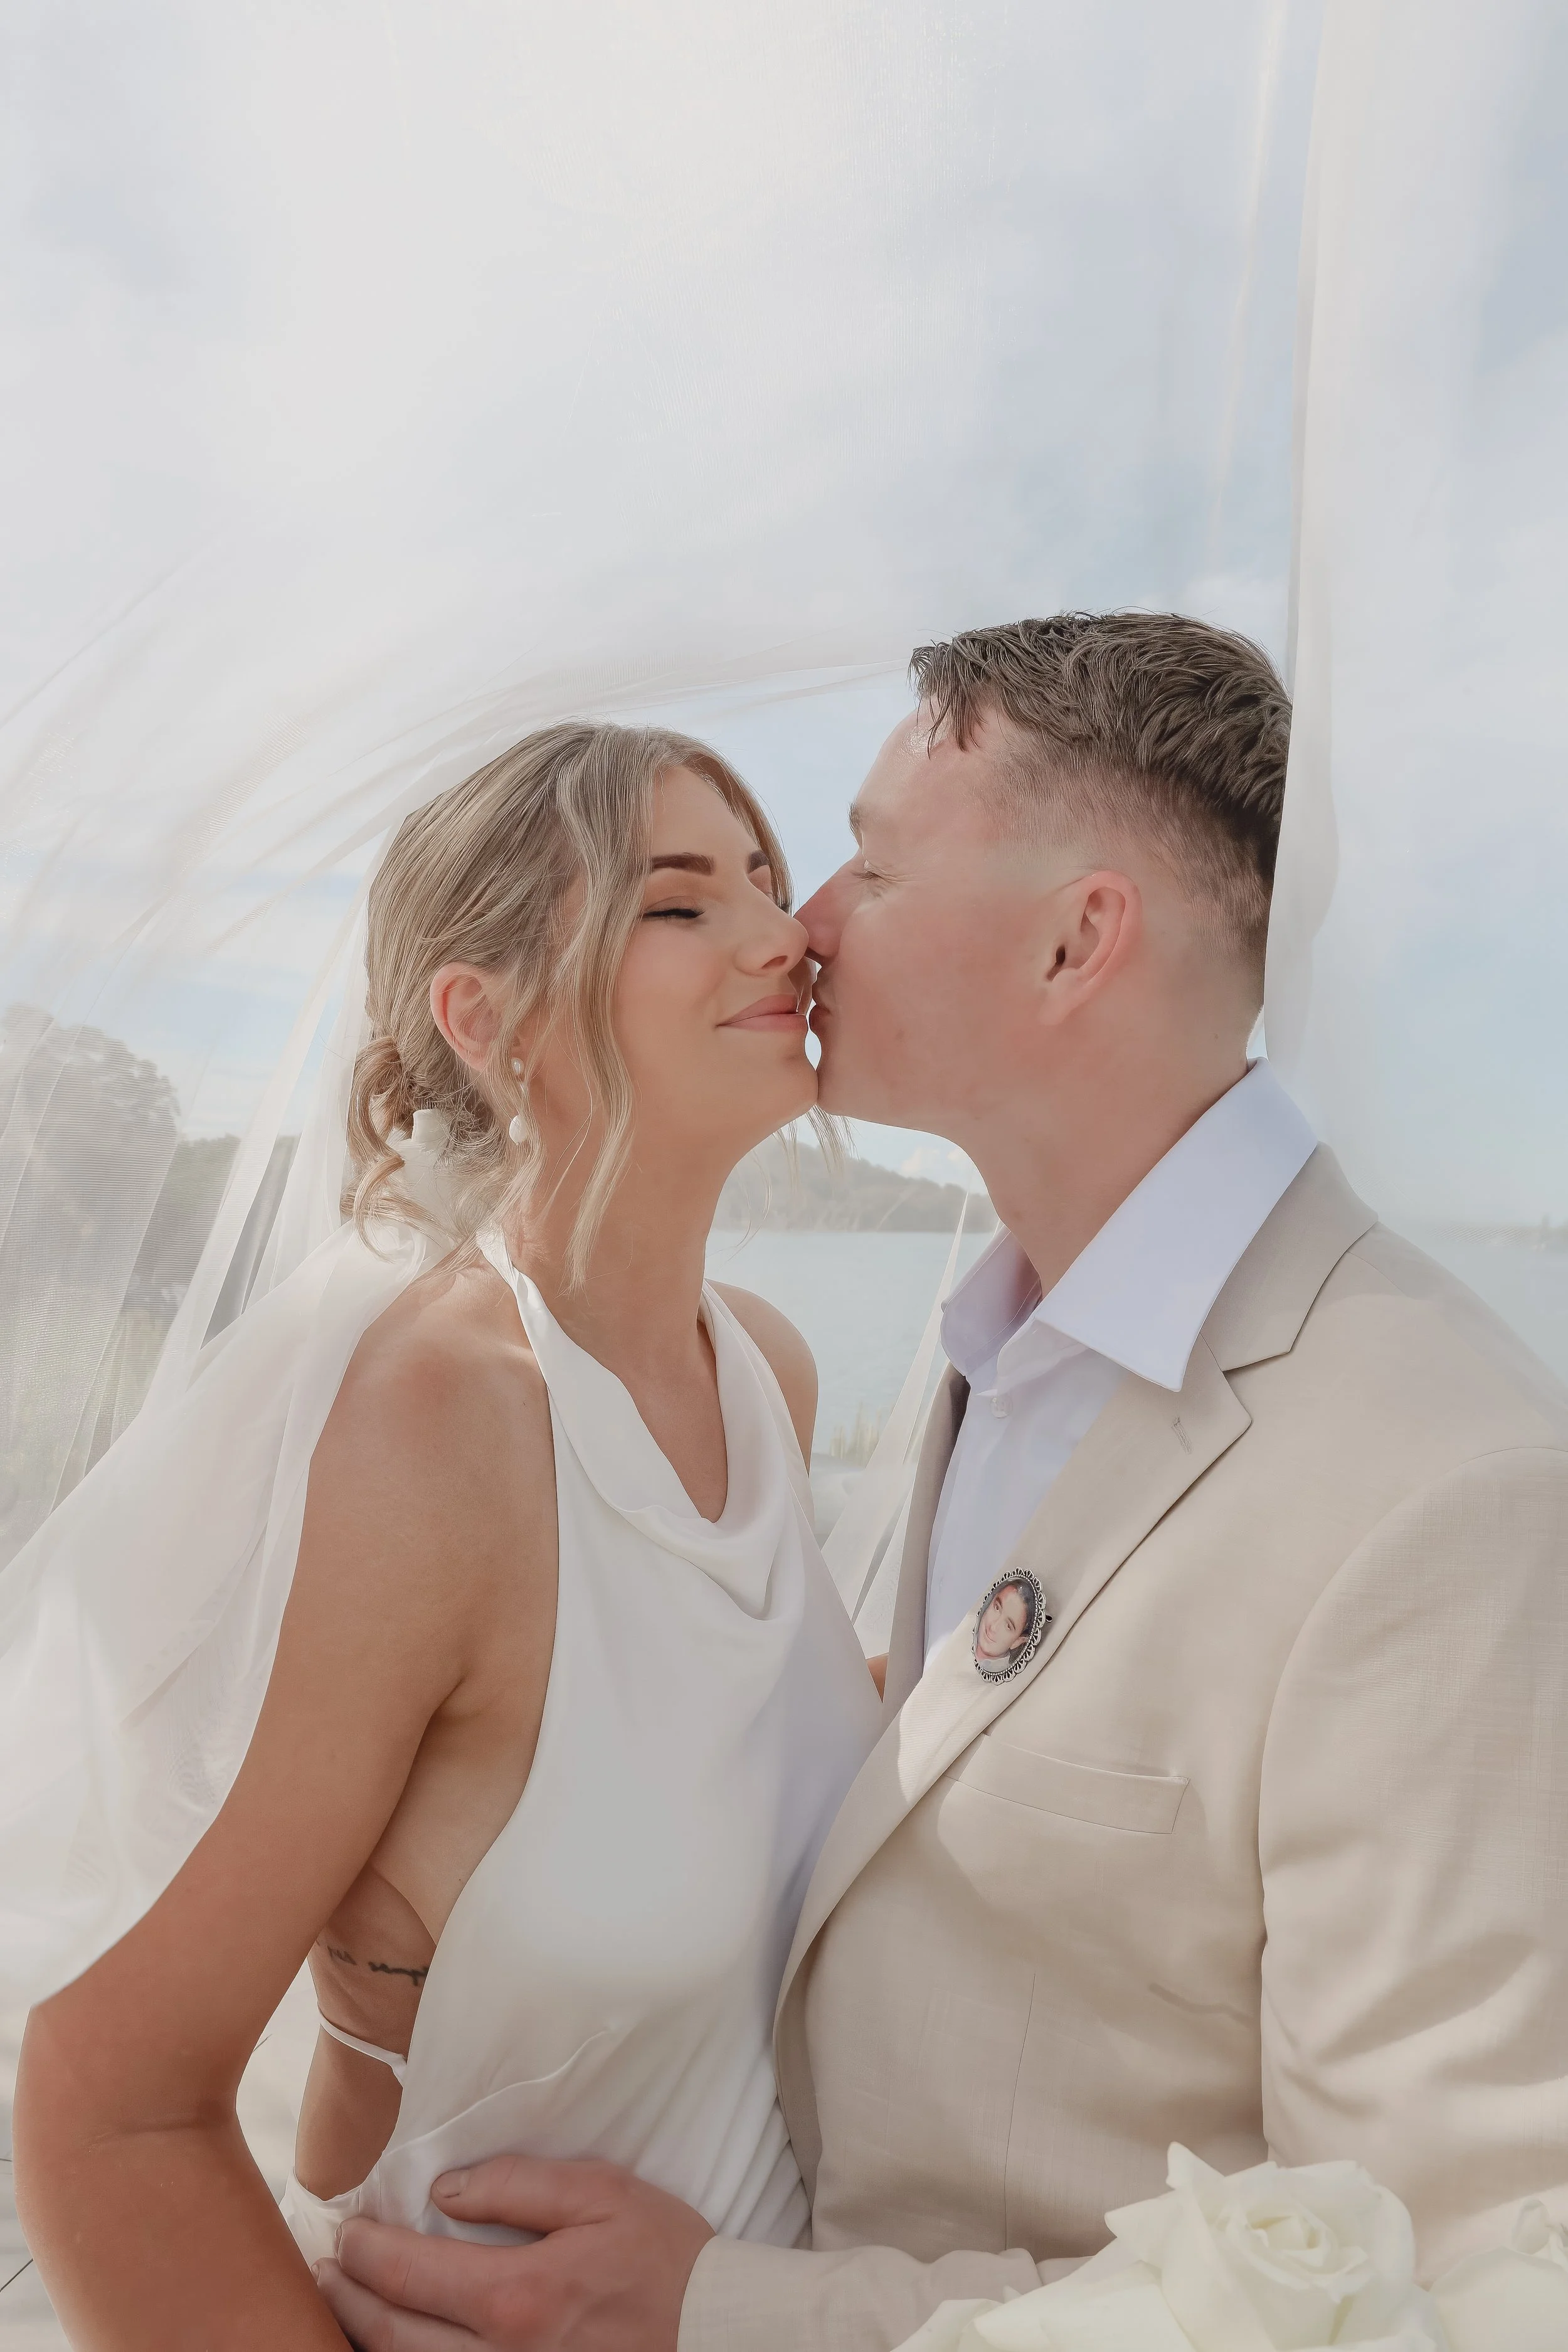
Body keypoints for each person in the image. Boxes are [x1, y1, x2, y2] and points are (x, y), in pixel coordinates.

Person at [319, 613, 1568, 2352]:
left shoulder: (1445, 1488)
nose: (801, 924)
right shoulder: (991, 1332)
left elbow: (1434, 2291)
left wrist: (716, 2309)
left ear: (1074, 942)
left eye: (873, 869)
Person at [9, 721, 881, 2345]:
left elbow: (698, 1746)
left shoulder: (767, 1365)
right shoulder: (441, 1425)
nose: (786, 932)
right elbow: (104, 2101)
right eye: (677, 903)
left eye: (767, 878)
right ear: (488, 1022)